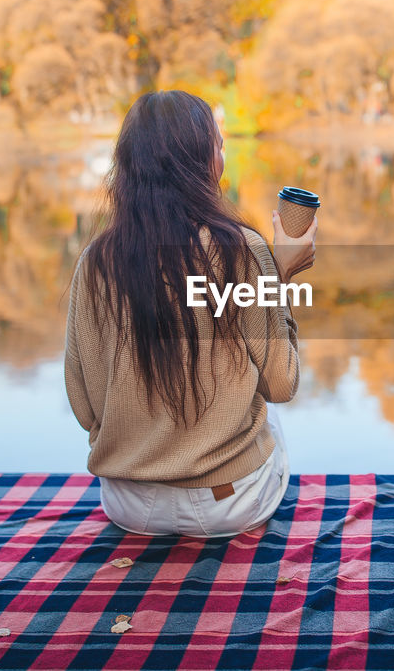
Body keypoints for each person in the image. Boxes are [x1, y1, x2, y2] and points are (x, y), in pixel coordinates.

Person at [63, 90, 316, 538]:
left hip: (126, 503)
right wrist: (281, 276)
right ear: (200, 162)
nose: (222, 156)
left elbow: (85, 408)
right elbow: (282, 384)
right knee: (269, 415)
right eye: (218, 145)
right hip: (227, 504)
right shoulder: (241, 251)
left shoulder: (94, 262)